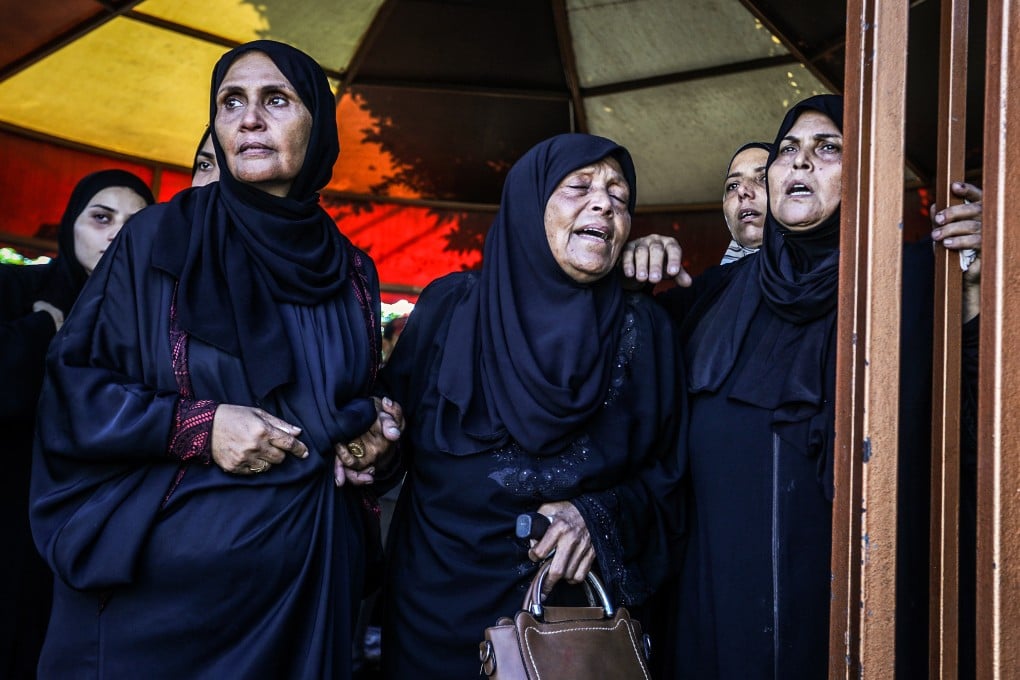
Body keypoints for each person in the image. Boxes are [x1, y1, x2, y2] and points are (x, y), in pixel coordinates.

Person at [30, 40, 400, 679]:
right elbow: (74, 390)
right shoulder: (158, 239)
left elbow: (353, 412)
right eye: (232, 103)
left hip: (308, 591)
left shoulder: (353, 273)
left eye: (275, 100)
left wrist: (376, 439)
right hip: (171, 604)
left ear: (318, 123)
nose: (249, 119)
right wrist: (199, 427)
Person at [622, 95, 982, 678]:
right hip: (718, 612)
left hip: (858, 618)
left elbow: (977, 425)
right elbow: (625, 382)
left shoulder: (918, 281)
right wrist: (630, 266)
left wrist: (984, 277)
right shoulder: (714, 295)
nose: (801, 162)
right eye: (788, 149)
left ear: (865, 172)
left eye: (828, 148)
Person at [373, 133, 685, 678]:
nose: (604, 203)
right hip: (435, 607)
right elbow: (392, 442)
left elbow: (674, 478)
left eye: (618, 195)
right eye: (579, 187)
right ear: (527, 204)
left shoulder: (646, 330)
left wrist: (596, 516)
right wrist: (373, 440)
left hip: (572, 624)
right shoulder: (451, 307)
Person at [0, 170, 153, 679]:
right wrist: (42, 327)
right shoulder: (17, 288)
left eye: (135, 222)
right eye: (101, 217)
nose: (116, 234)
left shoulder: (154, 324)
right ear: (72, 225)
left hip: (96, 535)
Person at [719, 141, 771, 264]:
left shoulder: (823, 277)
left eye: (764, 178)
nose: (742, 190)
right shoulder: (714, 282)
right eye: (733, 185)